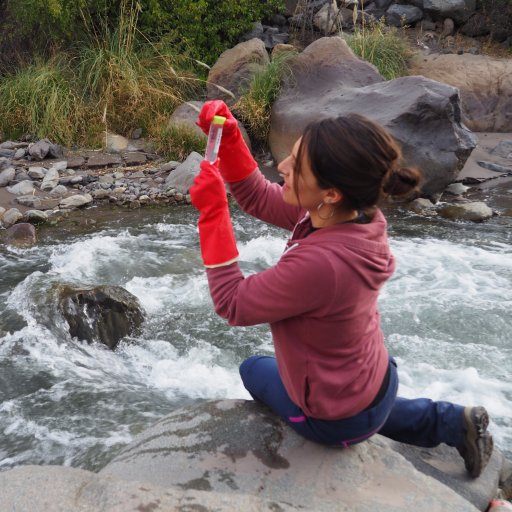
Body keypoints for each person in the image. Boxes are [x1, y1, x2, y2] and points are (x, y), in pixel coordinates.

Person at [189, 100, 494, 478]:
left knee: (253, 368)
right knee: (350, 397)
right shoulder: (355, 215)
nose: (282, 167)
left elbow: (233, 304)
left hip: (335, 419)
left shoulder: (324, 264)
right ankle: (447, 421)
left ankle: (360, 426)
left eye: (295, 165)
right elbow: (255, 197)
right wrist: (231, 139)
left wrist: (213, 214)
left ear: (330, 192)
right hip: (377, 378)